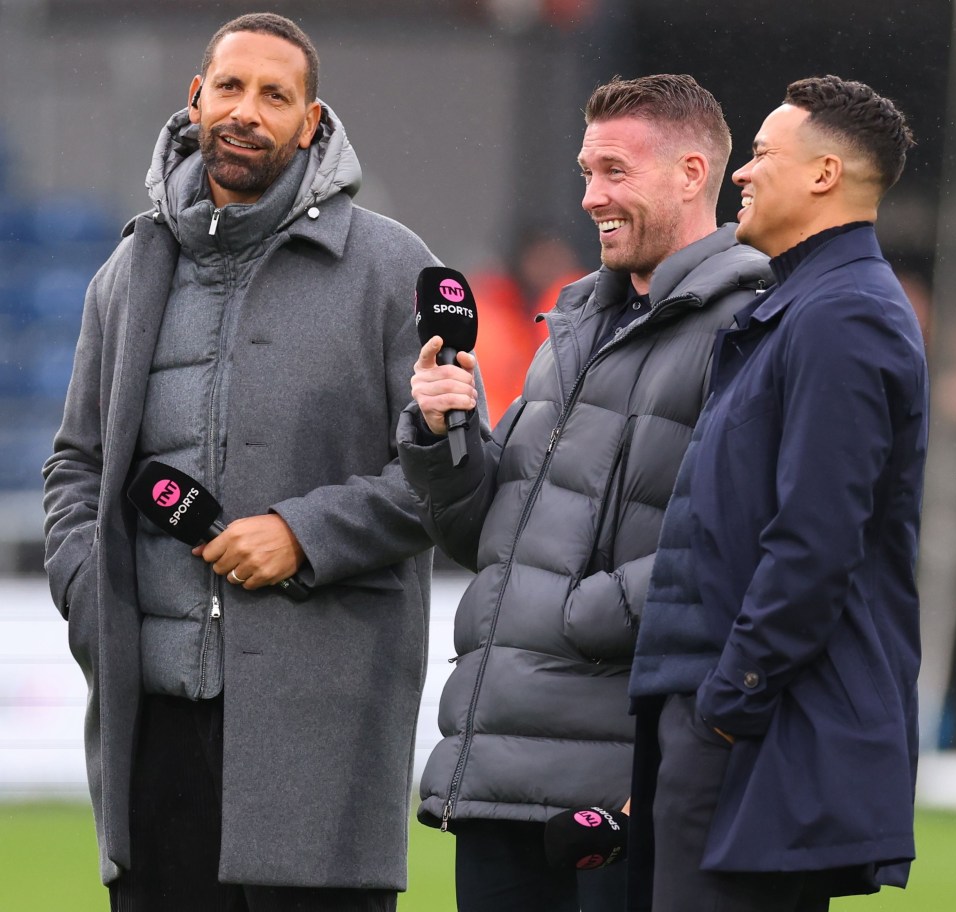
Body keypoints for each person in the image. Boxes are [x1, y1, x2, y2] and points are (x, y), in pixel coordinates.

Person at [42, 13, 439, 912]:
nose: (246, 111)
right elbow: (76, 466)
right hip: (156, 741)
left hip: (321, 738)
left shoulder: (393, 267)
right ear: (194, 99)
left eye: (275, 95)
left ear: (312, 121)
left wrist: (304, 535)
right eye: (230, 87)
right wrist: (87, 597)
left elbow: (448, 476)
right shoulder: (124, 272)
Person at [396, 74, 770, 912]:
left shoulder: (753, 327)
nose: (590, 195)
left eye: (614, 171)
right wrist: (443, 437)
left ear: (690, 172)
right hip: (495, 773)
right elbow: (492, 540)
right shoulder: (572, 322)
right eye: (585, 170)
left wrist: (576, 612)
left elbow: (738, 540)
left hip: (618, 778)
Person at [629, 75, 928, 911]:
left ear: (824, 174)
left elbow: (816, 542)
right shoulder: (802, 306)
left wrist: (727, 705)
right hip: (735, 726)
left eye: (761, 153)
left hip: (759, 738)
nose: (742, 174)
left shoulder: (844, 315)